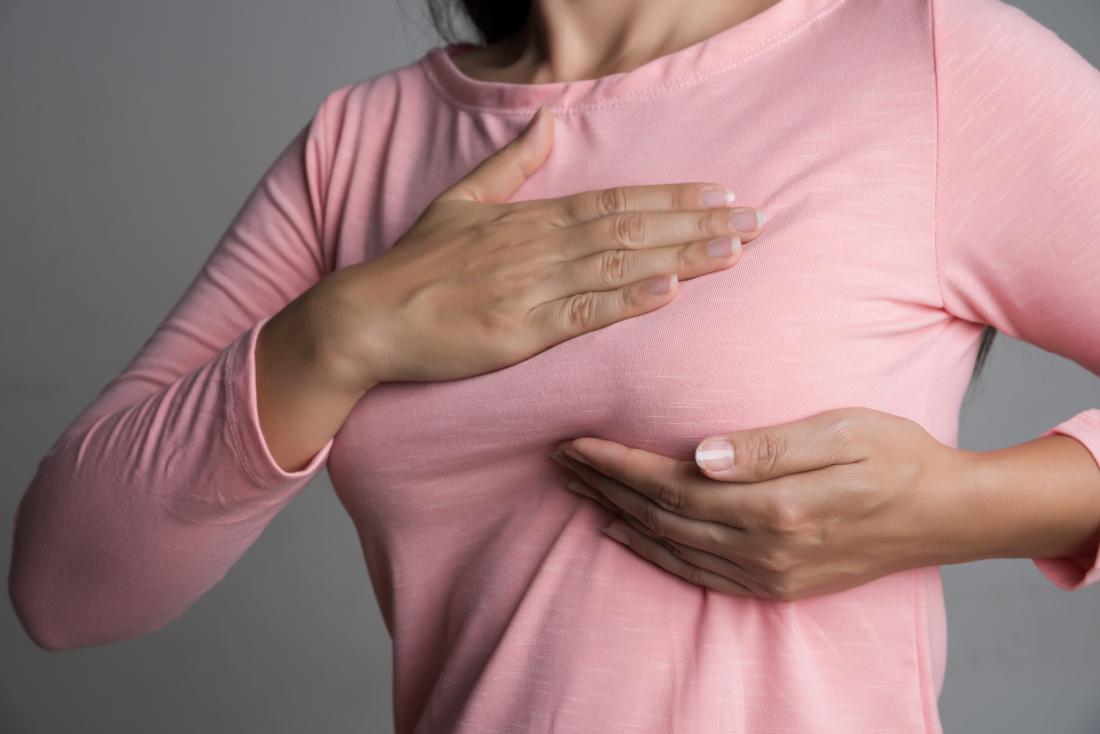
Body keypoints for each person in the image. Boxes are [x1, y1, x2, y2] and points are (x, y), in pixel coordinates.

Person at [9, 0, 1100, 730]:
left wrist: (981, 506)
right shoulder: (362, 142)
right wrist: (340, 333)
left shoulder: (920, 58)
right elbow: (65, 589)